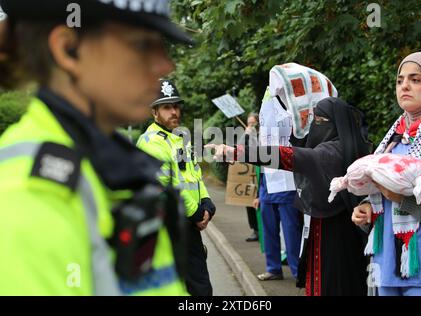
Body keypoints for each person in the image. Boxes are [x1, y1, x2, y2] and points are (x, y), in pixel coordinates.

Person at [0, 0, 192, 295]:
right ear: (68, 50)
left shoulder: (108, 166)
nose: (165, 65)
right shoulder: (27, 195)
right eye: (142, 45)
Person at [207, 97, 371, 295]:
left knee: (331, 283)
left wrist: (233, 152)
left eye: (319, 120)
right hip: (345, 232)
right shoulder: (354, 147)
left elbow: (285, 156)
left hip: (333, 235)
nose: (315, 125)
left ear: (335, 123)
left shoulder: (330, 152)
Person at [352, 52, 421, 296]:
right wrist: (368, 207)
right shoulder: (393, 137)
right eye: (400, 80)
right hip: (386, 264)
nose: (404, 85)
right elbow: (382, 191)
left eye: (415, 80)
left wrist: (402, 199)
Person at [137, 79, 215, 296]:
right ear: (154, 112)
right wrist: (196, 212)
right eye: (166, 107)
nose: (174, 112)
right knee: (193, 288)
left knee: (198, 286)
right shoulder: (151, 142)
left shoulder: (181, 137)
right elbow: (166, 185)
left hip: (188, 223)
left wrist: (206, 202)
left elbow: (194, 176)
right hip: (170, 226)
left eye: (176, 106)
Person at [239, 112, 259, 242]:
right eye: (249, 123)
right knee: (249, 201)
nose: (250, 126)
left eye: (253, 123)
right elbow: (240, 148)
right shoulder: (246, 135)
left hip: (260, 171)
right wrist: (246, 134)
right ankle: (255, 230)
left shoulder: (261, 135)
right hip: (249, 172)